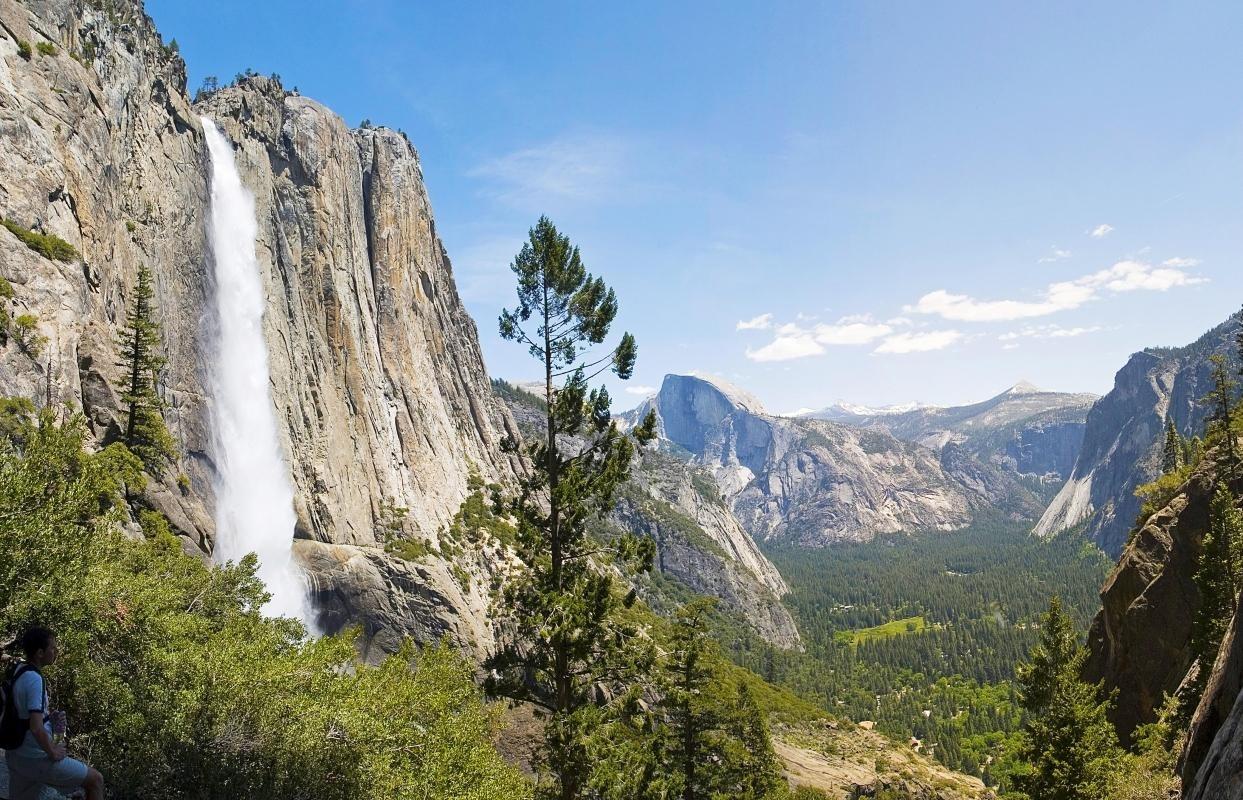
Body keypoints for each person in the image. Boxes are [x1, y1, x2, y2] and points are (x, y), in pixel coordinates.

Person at [4, 627, 103, 800]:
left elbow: (23, 714)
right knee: (95, 780)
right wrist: (52, 751)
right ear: (40, 653)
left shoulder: (18, 670)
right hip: (35, 757)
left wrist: (51, 720)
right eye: (53, 648)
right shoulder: (34, 679)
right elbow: (35, 727)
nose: (56, 651)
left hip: (17, 754)